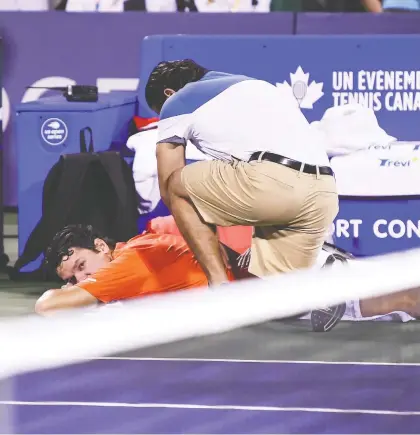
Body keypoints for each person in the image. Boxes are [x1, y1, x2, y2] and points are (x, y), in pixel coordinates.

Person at [145, 59, 339, 286]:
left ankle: (218, 285)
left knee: (175, 184)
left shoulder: (178, 100)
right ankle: (329, 283)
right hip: (324, 193)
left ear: (169, 93)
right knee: (277, 300)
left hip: (273, 185)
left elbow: (168, 189)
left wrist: (205, 245)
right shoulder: (256, 85)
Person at [35, 222, 235, 316]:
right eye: (72, 279)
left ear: (101, 246)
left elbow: (46, 306)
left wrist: (70, 295)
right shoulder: (136, 247)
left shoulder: (132, 260)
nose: (82, 278)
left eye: (81, 265)